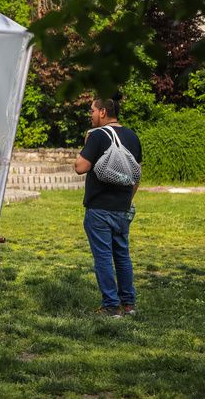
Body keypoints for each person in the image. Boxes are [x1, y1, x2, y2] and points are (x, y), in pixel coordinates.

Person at [74, 93, 142, 318]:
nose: (91, 115)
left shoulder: (98, 135)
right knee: (122, 256)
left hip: (99, 209)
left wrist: (85, 143)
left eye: (92, 110)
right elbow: (136, 175)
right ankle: (128, 304)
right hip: (122, 208)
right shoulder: (132, 136)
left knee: (103, 257)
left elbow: (81, 167)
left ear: (103, 112)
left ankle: (111, 306)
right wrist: (126, 200)